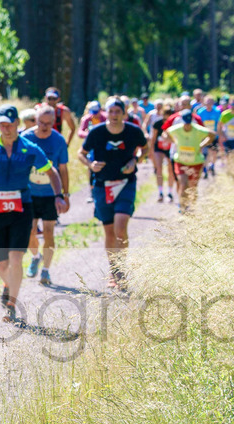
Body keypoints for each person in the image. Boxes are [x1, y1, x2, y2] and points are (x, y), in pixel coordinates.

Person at [0, 105, 67, 323]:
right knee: (1, 265)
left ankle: (11, 305)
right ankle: (8, 283)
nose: (5, 128)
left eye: (9, 124)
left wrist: (58, 195)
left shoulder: (30, 148)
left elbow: (51, 171)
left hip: (22, 209)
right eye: (1, 124)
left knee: (15, 259)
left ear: (17, 124)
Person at [78, 98, 147, 291]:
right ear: (106, 113)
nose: (115, 115)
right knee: (109, 231)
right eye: (111, 111)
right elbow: (80, 153)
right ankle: (114, 271)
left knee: (120, 226)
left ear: (124, 113)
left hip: (126, 183)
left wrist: (136, 160)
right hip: (102, 185)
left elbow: (145, 148)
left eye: (118, 111)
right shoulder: (96, 132)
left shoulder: (133, 131)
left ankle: (121, 270)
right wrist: (90, 165)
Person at [22, 104, 70, 286]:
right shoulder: (25, 138)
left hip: (51, 194)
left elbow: (63, 169)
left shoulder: (58, 141)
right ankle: (36, 256)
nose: (43, 126)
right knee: (29, 231)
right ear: (35, 120)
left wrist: (65, 194)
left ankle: (46, 271)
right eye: (40, 122)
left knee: (49, 232)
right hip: (30, 193)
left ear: (54, 123)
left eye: (48, 124)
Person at [163, 110, 217, 212]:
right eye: (185, 122)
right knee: (183, 183)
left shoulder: (198, 129)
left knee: (193, 186)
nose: (187, 125)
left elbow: (212, 134)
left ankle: (192, 208)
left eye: (188, 122)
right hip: (181, 161)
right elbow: (165, 133)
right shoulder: (177, 128)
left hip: (196, 162)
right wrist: (174, 141)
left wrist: (202, 145)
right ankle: (182, 207)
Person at [195, 95, 222, 177]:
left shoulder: (217, 111)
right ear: (204, 103)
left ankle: (212, 165)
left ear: (213, 103)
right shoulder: (200, 112)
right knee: (204, 154)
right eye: (207, 102)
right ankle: (205, 168)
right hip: (204, 136)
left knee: (214, 152)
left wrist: (219, 134)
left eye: (211, 102)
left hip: (214, 136)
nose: (209, 104)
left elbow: (219, 124)